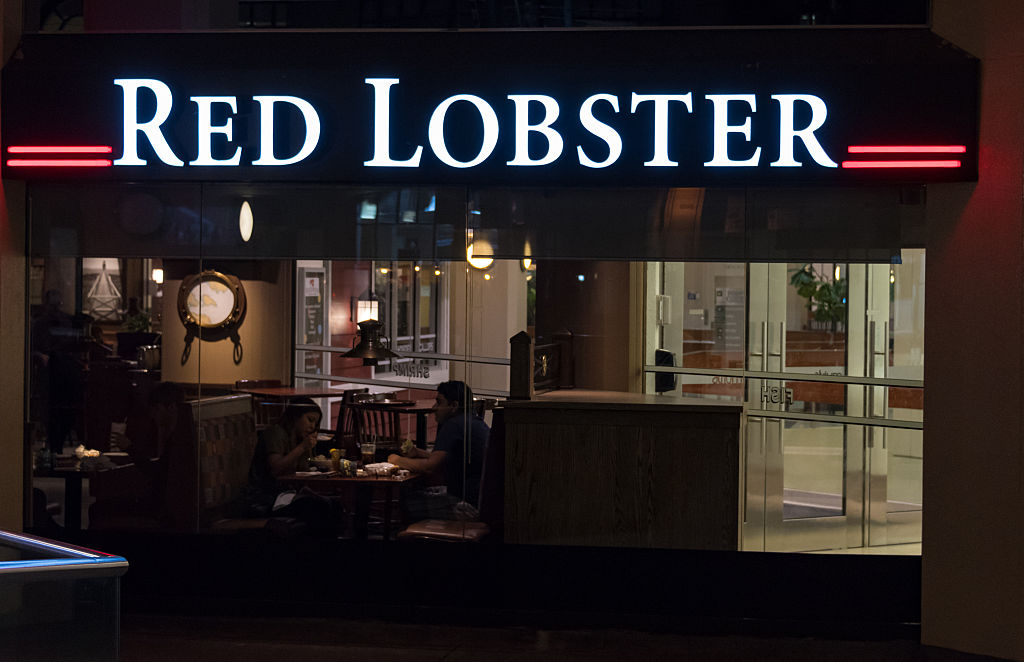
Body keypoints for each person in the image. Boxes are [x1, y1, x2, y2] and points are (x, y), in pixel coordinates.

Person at [388, 380, 489, 521]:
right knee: (423, 494)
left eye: (439, 402)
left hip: (466, 506)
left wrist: (395, 460)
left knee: (408, 502)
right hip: (484, 503)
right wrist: (418, 453)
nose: (435, 407)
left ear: (453, 406)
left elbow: (430, 467)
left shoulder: (453, 425)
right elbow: (451, 458)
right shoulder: (475, 422)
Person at [244, 398, 341, 535]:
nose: (313, 426)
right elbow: (276, 468)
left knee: (334, 504)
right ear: (295, 416)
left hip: (287, 495)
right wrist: (302, 447)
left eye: (316, 423)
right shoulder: (275, 433)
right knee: (318, 509)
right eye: (310, 420)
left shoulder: (299, 438)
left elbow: (300, 473)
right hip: (266, 497)